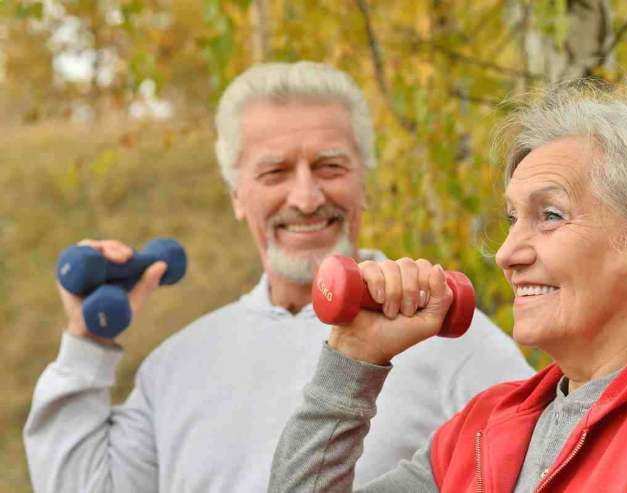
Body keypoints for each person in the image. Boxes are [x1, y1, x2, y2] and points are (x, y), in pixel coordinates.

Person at [23, 62, 533, 492]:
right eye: (275, 173)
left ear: (365, 184)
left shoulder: (454, 341)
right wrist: (87, 344)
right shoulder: (176, 365)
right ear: (236, 197)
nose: (307, 198)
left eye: (330, 166)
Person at [268, 85, 627, 492]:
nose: (506, 254)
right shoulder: (479, 435)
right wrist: (353, 358)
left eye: (550, 216)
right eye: (513, 220)